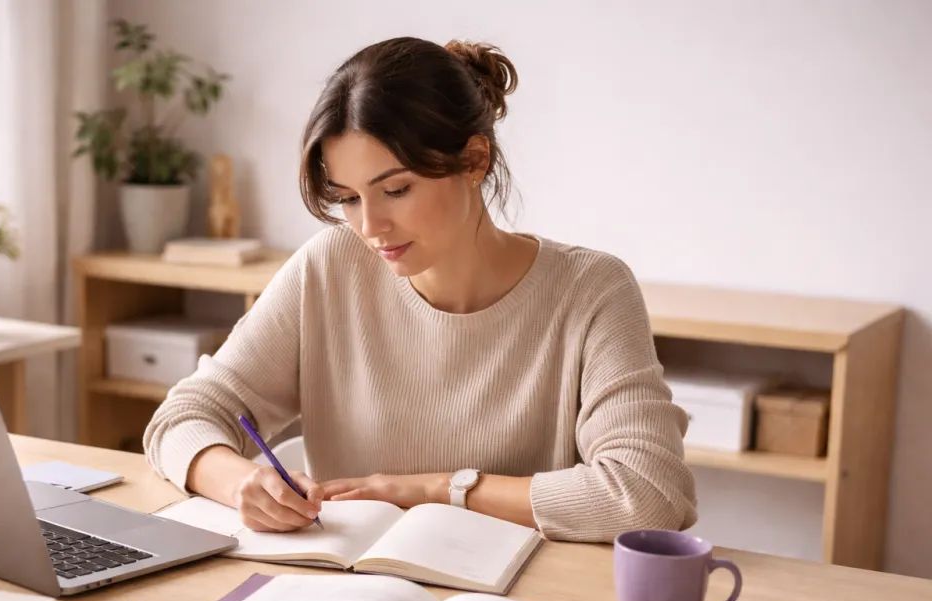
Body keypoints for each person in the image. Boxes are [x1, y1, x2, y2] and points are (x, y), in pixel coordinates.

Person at [143, 36, 697, 542]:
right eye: (350, 198)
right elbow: (182, 418)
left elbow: (647, 493)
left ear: (475, 160)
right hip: (350, 595)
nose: (369, 227)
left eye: (396, 190)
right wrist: (238, 480)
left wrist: (440, 492)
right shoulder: (331, 266)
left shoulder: (590, 290)